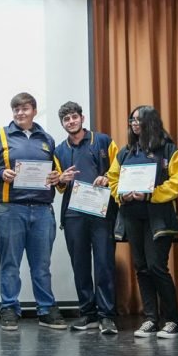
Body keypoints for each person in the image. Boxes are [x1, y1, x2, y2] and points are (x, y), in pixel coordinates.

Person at [0, 92, 65, 331]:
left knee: (41, 265)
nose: (20, 113)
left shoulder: (47, 139)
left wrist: (55, 176)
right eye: (16, 109)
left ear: (34, 110)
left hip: (42, 210)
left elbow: (56, 172)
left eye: (25, 109)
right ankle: (9, 308)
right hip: (10, 209)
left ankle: (45, 310)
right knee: (10, 263)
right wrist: (1, 173)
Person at [108, 105, 178, 338]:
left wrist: (151, 194)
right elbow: (114, 179)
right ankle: (151, 318)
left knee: (156, 266)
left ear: (150, 122)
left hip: (160, 218)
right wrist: (122, 194)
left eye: (138, 119)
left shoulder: (169, 150)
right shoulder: (125, 152)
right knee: (141, 268)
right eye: (131, 120)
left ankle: (173, 321)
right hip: (133, 215)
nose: (134, 123)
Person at [53, 101, 119, 334]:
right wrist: (62, 179)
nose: (71, 122)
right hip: (73, 214)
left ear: (82, 117)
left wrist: (107, 178)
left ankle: (107, 315)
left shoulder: (103, 141)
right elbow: (59, 185)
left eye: (74, 117)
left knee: (104, 263)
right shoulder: (59, 150)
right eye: (66, 119)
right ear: (62, 124)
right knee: (80, 265)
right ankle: (88, 314)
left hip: (101, 211)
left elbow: (119, 169)